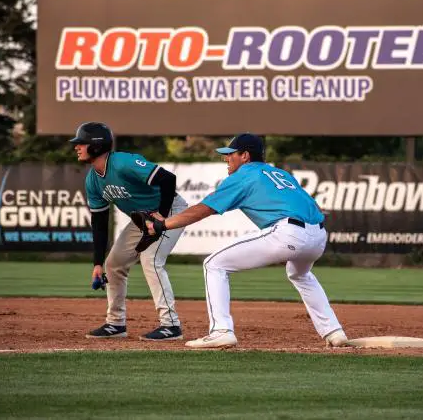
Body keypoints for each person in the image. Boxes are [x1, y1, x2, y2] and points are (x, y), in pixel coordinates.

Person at [144, 133, 349, 349]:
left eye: (230, 154)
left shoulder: (243, 175)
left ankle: (221, 330)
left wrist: (163, 225)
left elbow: (203, 209)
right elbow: (314, 207)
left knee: (214, 264)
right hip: (318, 236)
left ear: (245, 156)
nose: (226, 159)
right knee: (300, 274)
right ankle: (334, 332)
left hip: (288, 232)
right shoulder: (280, 174)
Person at [71, 121, 188, 341]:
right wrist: (97, 263)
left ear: (96, 145)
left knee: (151, 259)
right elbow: (99, 222)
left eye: (81, 143)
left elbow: (167, 179)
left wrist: (161, 216)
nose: (76, 147)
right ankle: (115, 324)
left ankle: (171, 325)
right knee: (113, 264)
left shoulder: (123, 163)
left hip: (171, 209)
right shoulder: (93, 181)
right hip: (142, 219)